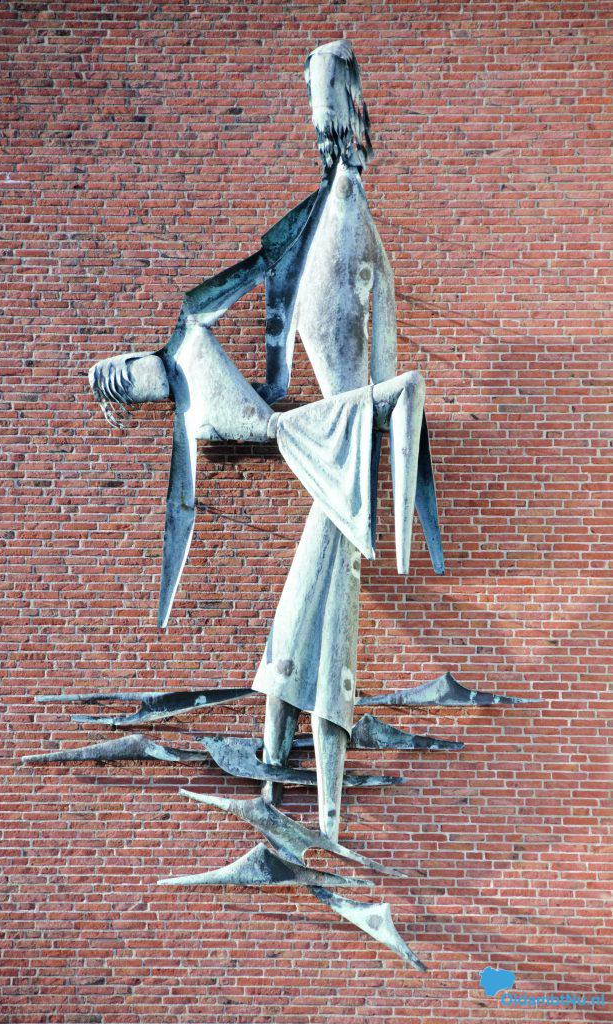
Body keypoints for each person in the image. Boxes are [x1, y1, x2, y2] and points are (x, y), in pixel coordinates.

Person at [89, 40, 444, 841]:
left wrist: (387, 434)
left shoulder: (351, 229)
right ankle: (299, 796)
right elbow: (265, 356)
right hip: (319, 445)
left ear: (354, 117)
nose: (324, 132)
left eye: (333, 114)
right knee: (303, 621)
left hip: (341, 454)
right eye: (319, 117)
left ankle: (315, 809)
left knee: (310, 627)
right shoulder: (311, 228)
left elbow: (378, 369)